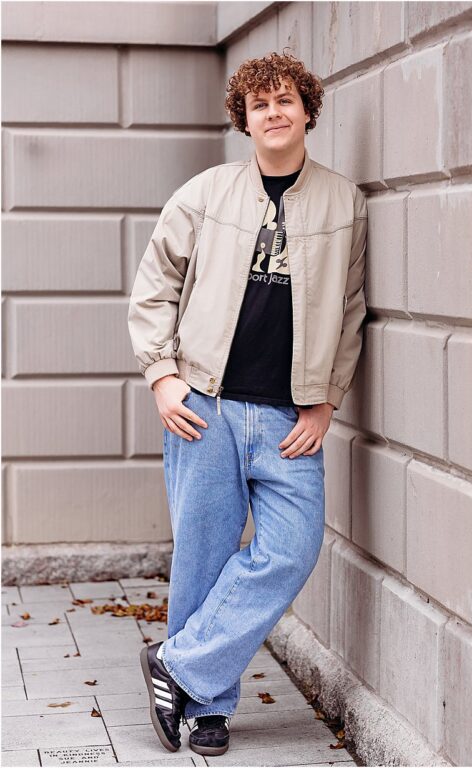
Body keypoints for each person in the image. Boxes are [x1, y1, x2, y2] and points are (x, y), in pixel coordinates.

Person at [127, 51, 367, 756]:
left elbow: (350, 313)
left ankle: (176, 663)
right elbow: (154, 287)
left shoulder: (343, 201)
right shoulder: (206, 193)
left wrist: (326, 404)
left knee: (290, 551)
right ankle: (206, 708)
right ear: (244, 118)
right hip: (207, 405)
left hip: (291, 415)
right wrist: (162, 375)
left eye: (285, 100)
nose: (274, 113)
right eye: (259, 104)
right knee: (202, 555)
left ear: (307, 110)